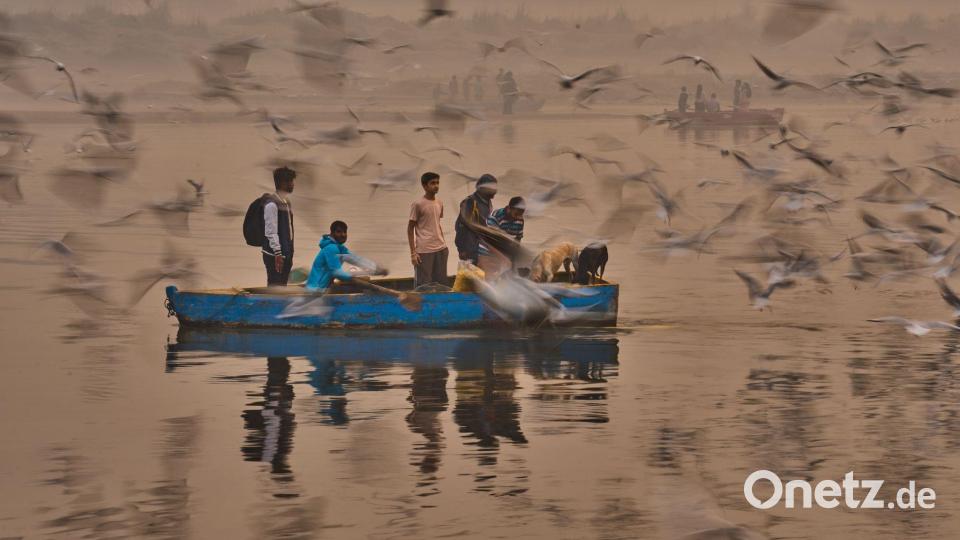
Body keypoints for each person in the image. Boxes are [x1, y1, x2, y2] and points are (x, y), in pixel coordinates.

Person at [408, 172, 449, 288]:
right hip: (424, 251)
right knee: (424, 287)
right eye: (432, 183)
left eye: (437, 183)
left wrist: (444, 244)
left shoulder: (439, 203)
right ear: (424, 186)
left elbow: (437, 224)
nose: (436, 186)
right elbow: (410, 228)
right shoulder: (417, 204)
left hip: (440, 249)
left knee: (441, 285)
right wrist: (413, 253)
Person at [263, 166, 296, 286]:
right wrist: (278, 253)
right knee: (274, 286)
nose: (293, 184)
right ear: (282, 183)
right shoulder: (272, 204)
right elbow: (271, 231)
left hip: (286, 253)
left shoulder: (286, 202)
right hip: (275, 256)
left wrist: (289, 253)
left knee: (282, 286)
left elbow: (288, 230)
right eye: (291, 181)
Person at [455, 174, 497, 265]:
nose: (495, 190)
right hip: (470, 249)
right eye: (492, 187)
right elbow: (460, 227)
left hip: (482, 249)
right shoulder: (470, 202)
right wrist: (462, 249)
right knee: (469, 277)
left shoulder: (488, 203)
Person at [305, 221, 353, 291]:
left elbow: (355, 259)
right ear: (332, 234)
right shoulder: (331, 248)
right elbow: (337, 272)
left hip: (322, 288)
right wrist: (354, 279)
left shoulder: (340, 248)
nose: (343, 234)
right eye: (339, 232)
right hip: (316, 290)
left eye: (345, 232)